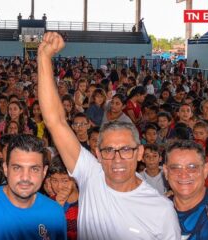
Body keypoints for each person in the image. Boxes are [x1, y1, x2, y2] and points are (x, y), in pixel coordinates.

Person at [37, 32, 180, 240]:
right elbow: (55, 121)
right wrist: (43, 57)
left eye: (126, 149)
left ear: (140, 152)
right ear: (98, 153)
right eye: (109, 150)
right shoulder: (90, 175)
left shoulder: (161, 210)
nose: (117, 158)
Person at [163, 140, 208, 239]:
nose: (183, 175)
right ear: (166, 172)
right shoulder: (157, 210)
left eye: (192, 167)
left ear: (205, 170)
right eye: (175, 168)